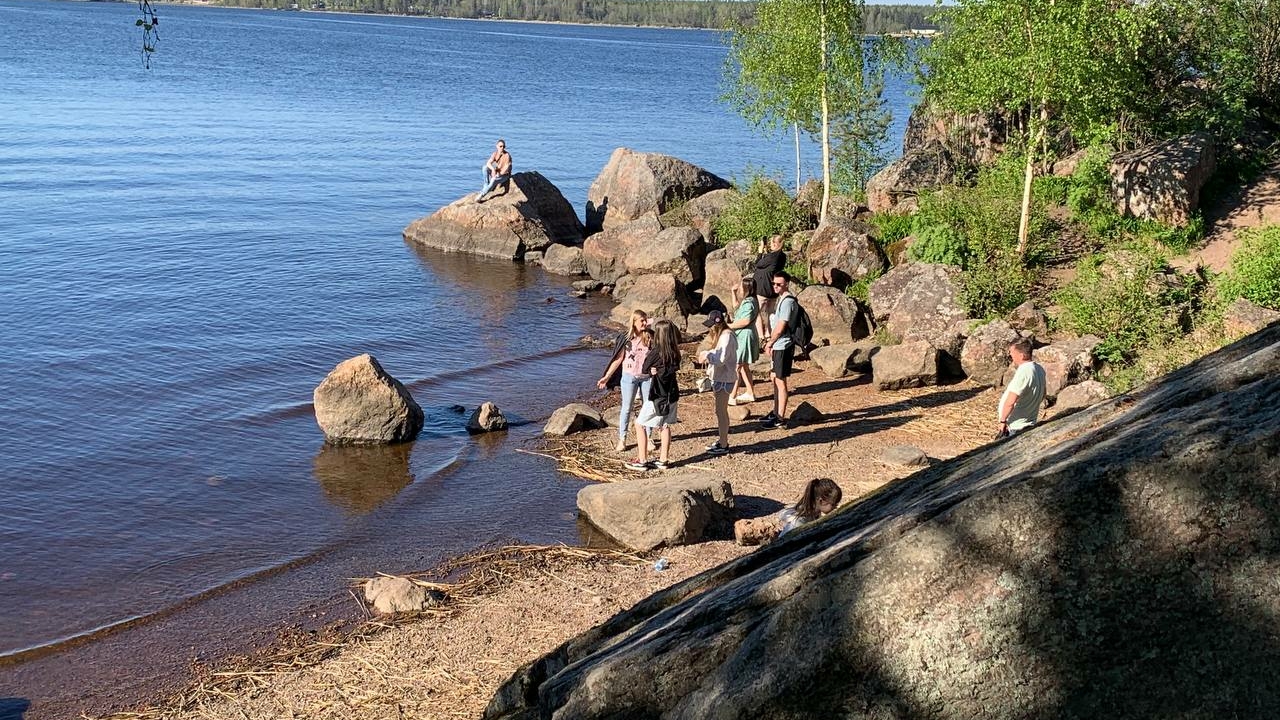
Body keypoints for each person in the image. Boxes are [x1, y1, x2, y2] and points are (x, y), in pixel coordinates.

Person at [626, 319, 682, 472]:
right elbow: (673, 367)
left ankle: (642, 460)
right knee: (664, 425)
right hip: (672, 393)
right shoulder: (675, 352)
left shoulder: (656, 352)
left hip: (658, 394)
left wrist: (651, 370)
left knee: (639, 424)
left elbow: (644, 368)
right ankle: (663, 460)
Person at [597, 310, 652, 452]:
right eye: (642, 321)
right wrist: (607, 376)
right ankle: (622, 439)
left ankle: (649, 437)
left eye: (645, 320)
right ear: (634, 322)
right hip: (629, 378)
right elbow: (618, 359)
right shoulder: (626, 339)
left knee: (648, 407)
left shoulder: (650, 337)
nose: (645, 323)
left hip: (646, 378)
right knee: (627, 408)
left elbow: (656, 356)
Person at [734, 478, 843, 546]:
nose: (836, 507)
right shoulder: (798, 523)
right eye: (833, 504)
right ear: (821, 501)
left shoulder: (813, 514)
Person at [760, 270, 798, 430]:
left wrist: (771, 342)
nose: (775, 286)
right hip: (777, 345)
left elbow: (782, 325)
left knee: (781, 381)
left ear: (786, 284)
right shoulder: (780, 299)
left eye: (779, 284)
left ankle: (780, 417)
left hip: (783, 345)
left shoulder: (788, 301)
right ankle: (776, 412)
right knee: (774, 377)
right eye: (774, 284)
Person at [696, 310, 738, 456]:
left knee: (721, 411)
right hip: (721, 377)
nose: (710, 329)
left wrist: (707, 355)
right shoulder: (723, 336)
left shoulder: (726, 337)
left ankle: (724, 443)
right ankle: (722, 440)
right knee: (720, 411)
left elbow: (721, 359)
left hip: (724, 378)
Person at [996, 337, 1047, 438]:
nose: (1010, 355)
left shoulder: (1024, 372)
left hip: (1016, 427)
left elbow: (1010, 401)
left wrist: (1003, 421)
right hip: (1029, 422)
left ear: (1021, 355)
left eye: (1012, 352)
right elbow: (1043, 394)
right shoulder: (1039, 369)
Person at [725, 275, 760, 405]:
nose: (739, 288)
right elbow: (736, 308)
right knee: (744, 365)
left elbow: (745, 321)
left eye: (740, 287)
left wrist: (728, 326)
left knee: (737, 366)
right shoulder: (747, 301)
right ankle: (750, 392)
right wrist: (733, 292)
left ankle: (732, 396)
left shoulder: (750, 303)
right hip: (742, 335)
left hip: (745, 336)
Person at [752, 234, 786, 339]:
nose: (770, 245)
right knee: (770, 313)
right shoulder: (782, 256)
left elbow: (757, 263)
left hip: (763, 288)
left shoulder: (771, 256)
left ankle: (761, 335)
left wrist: (760, 251)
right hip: (773, 288)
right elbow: (769, 265)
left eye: (771, 243)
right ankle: (769, 333)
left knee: (757, 312)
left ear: (775, 244)